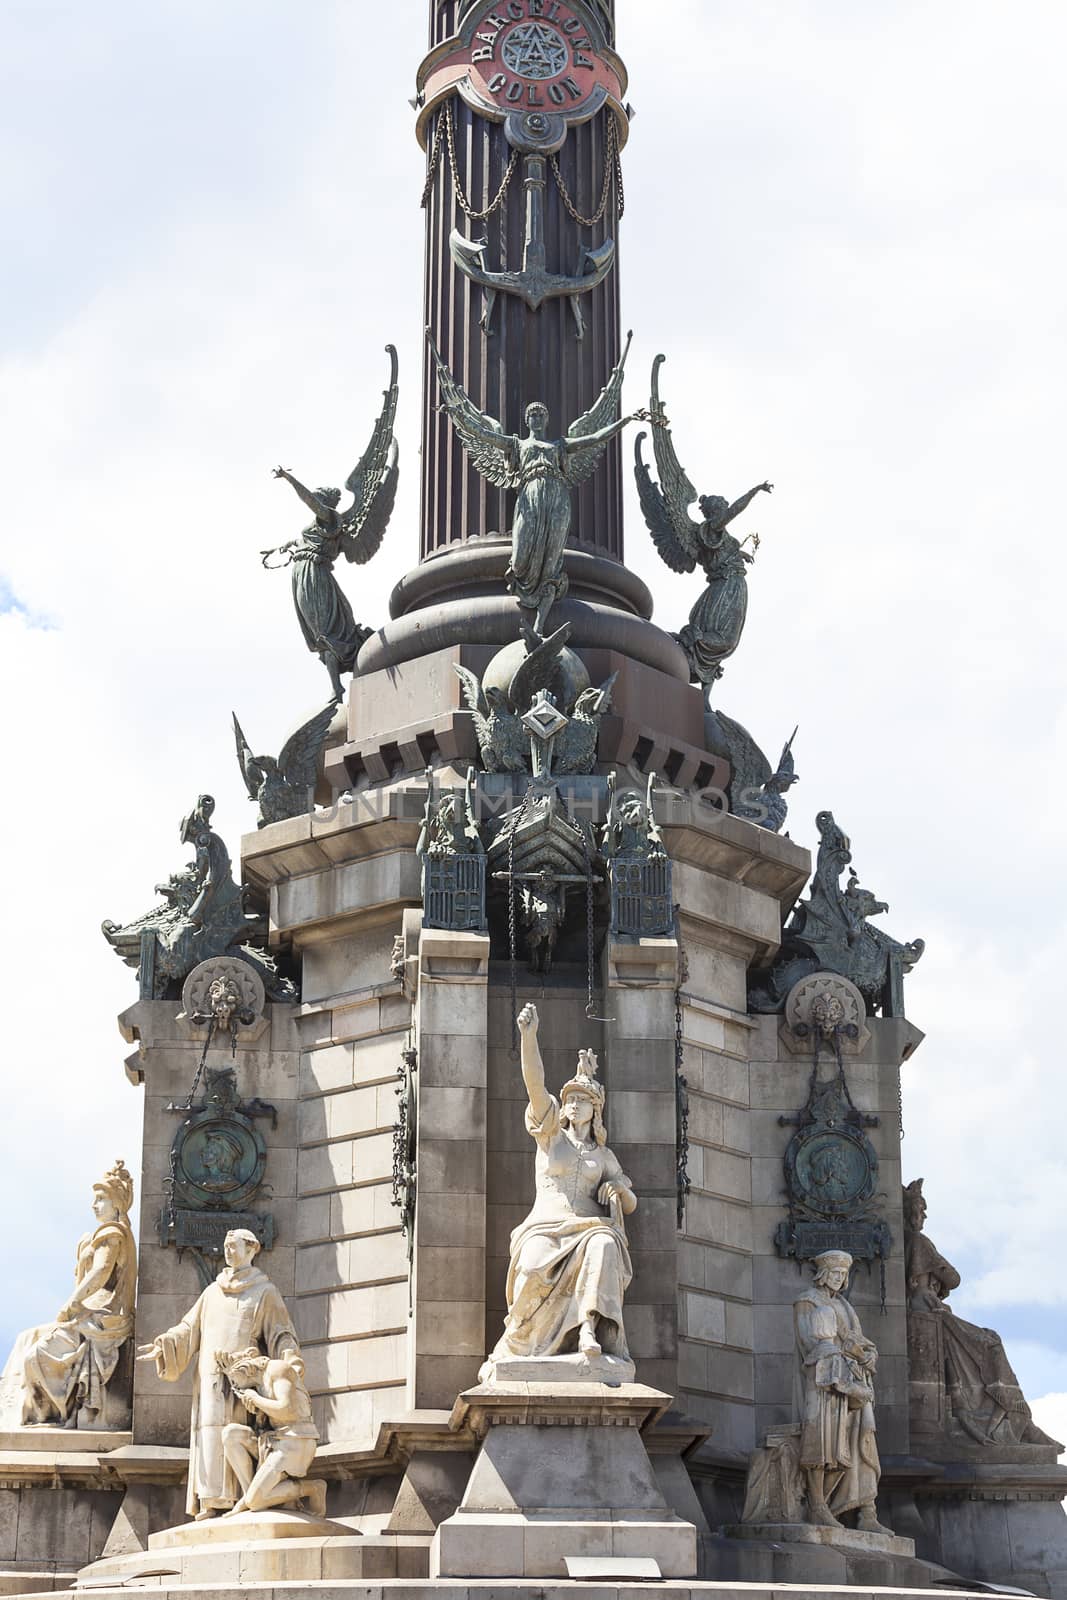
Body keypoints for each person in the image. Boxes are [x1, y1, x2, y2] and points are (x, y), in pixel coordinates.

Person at [483, 1003, 637, 1373]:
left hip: (588, 1229)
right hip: (545, 1227)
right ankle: (521, 1341)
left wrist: (616, 1188)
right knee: (533, 1267)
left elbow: (630, 1201)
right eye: (569, 1099)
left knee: (604, 1244)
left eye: (581, 1099)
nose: (573, 1104)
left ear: (596, 1108)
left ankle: (587, 1330)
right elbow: (535, 1086)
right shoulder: (552, 1138)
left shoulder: (604, 1156)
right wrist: (529, 1037)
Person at [138, 1229, 300, 1519]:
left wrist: (291, 1361)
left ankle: (240, 1497)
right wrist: (167, 1343)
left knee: (234, 1431)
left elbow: (281, 1333)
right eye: (225, 1246)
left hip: (241, 1376)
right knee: (209, 1433)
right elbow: (189, 1328)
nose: (227, 1251)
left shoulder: (264, 1291)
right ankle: (211, 1500)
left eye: (233, 1246)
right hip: (209, 1376)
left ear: (251, 1249)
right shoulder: (212, 1291)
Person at [1, 1160, 136, 1429]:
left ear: (117, 1203)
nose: (94, 1205)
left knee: (34, 1353)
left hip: (102, 1319)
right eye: (94, 1199)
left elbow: (99, 1273)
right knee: (25, 1338)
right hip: (91, 1315)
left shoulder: (112, 1233)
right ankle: (24, 1413)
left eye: (101, 1199)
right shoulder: (103, 1234)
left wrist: (70, 1304)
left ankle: (49, 1414)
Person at [794, 1250, 889, 1532]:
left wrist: (870, 1354)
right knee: (824, 1445)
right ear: (823, 1274)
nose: (839, 1279)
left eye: (843, 1275)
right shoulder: (807, 1301)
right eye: (834, 1274)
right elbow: (809, 1342)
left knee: (863, 1442)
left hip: (854, 1380)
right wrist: (849, 1351)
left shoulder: (846, 1307)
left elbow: (859, 1339)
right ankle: (818, 1505)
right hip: (824, 1382)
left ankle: (867, 1512)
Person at [217, 1347, 325, 1519]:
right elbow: (269, 1423)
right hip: (275, 1441)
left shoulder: (278, 1369)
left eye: (233, 1379)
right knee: (230, 1434)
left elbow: (287, 1409)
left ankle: (313, 1488)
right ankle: (250, 1496)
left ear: (243, 1368)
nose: (235, 1386)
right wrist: (258, 1412)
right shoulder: (258, 1384)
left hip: (297, 1442)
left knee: (256, 1501)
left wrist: (256, 1399)